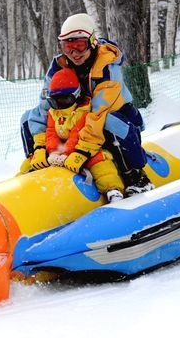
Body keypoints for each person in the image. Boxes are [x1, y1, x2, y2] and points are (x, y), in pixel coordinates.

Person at [20, 13, 154, 196]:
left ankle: (134, 175)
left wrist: (82, 151)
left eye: (79, 46)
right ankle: (40, 165)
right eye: (68, 47)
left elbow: (97, 115)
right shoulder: (59, 67)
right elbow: (45, 107)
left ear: (92, 42)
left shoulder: (107, 68)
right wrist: (40, 147)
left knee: (110, 122)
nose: (74, 53)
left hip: (114, 120)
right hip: (76, 119)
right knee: (28, 118)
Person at [29, 67, 124, 203]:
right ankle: (20, 182)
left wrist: (67, 154)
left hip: (83, 147)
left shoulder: (84, 111)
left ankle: (113, 190)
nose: (60, 106)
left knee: (100, 162)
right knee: (33, 160)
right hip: (59, 151)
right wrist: (53, 153)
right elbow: (50, 133)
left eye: (65, 100)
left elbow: (77, 134)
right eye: (55, 101)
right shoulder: (53, 112)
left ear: (76, 95)